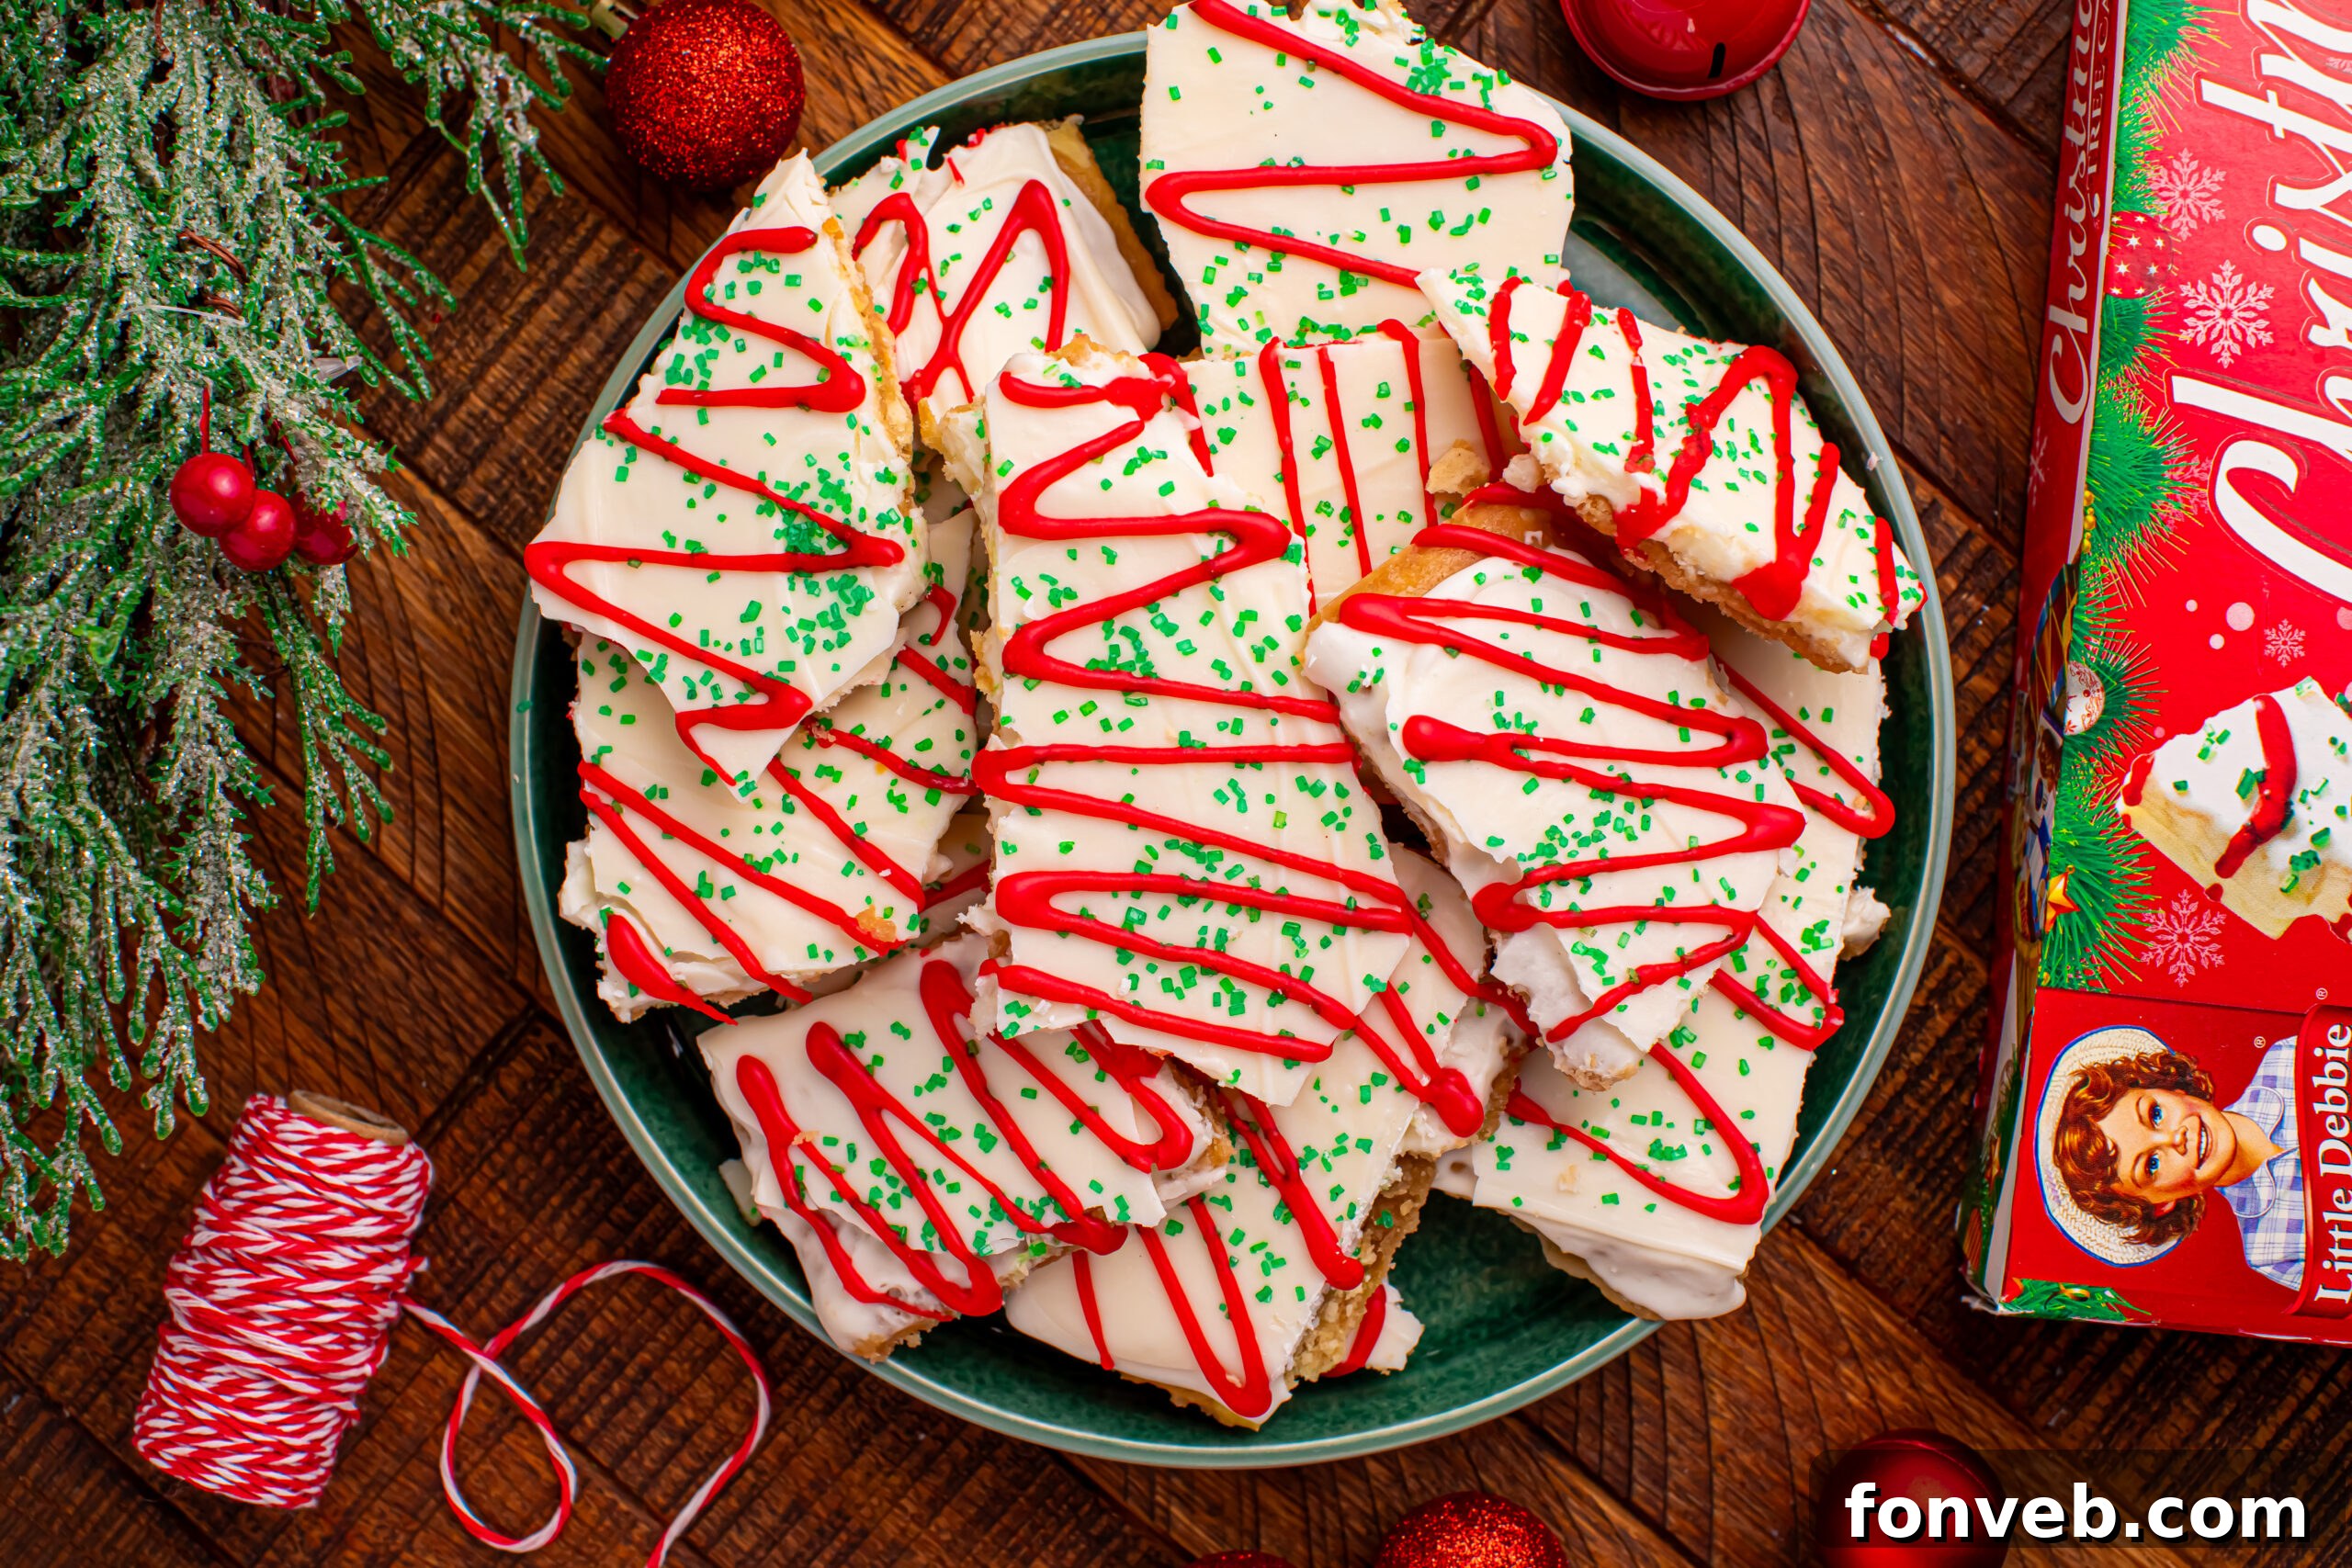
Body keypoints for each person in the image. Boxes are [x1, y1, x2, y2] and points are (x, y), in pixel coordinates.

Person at [2047, 1036, 2302, 1287]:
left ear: (2168, 1087)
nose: (2174, 1139)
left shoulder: (2287, 1059)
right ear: (2162, 1205)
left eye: (2155, 1113)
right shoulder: (2270, 1253)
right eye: (2152, 1165)